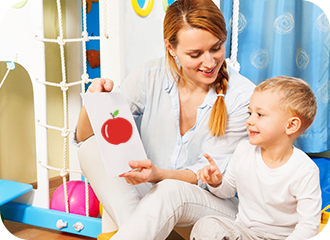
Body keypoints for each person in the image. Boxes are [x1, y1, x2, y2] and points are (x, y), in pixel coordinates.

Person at [75, 0, 255, 239]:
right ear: (171, 48)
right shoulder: (151, 75)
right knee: (89, 150)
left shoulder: (242, 97)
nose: (210, 62)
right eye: (195, 54)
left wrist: (159, 175)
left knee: (169, 190)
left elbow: (209, 175)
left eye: (216, 47)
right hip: (153, 200)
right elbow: (85, 137)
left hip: (212, 207)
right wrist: (95, 102)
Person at [191, 76, 322, 240]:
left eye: (260, 114)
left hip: (283, 238)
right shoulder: (243, 150)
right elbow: (228, 191)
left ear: (290, 126)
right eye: (249, 112)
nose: (250, 121)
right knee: (207, 225)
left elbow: (309, 226)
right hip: (244, 232)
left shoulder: (305, 170)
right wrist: (216, 182)